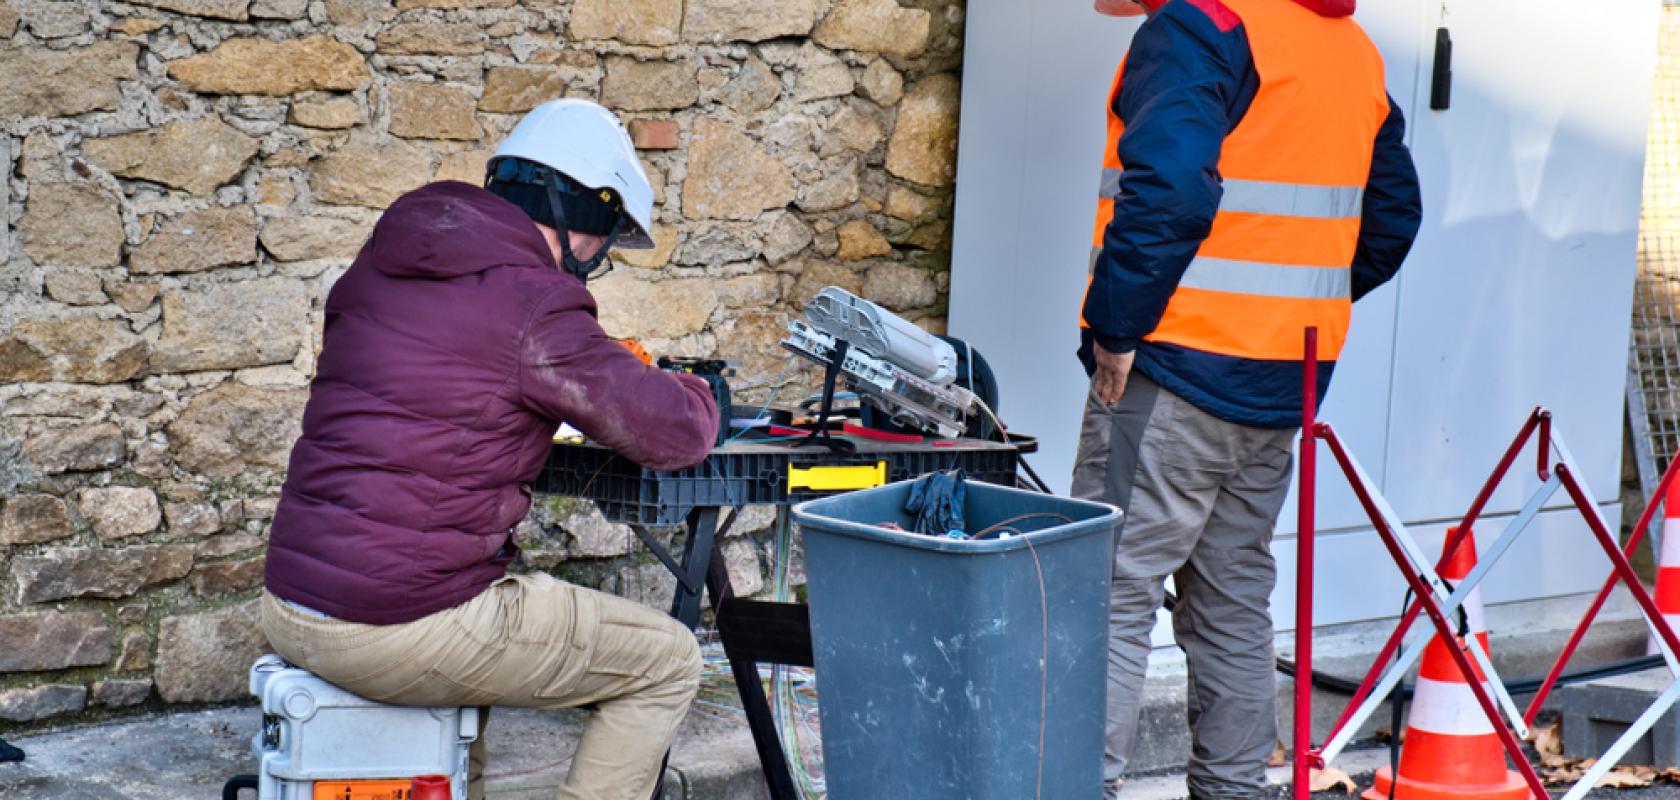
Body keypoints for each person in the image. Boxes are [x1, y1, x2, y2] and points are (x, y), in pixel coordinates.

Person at [260, 99, 721, 800]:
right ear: (583, 216)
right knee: (666, 660)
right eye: (604, 239)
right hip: (397, 623)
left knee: (482, 642)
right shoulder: (535, 302)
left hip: (293, 600)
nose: (596, 261)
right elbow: (674, 434)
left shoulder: (381, 266)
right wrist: (698, 387)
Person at [1071, 0, 1423, 797]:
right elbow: (1393, 218)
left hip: (1171, 370)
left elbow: (1168, 193)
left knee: (1104, 595)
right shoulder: (1348, 49)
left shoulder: (1202, 29)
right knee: (1232, 600)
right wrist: (1288, 310)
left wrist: (1117, 329)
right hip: (1277, 383)